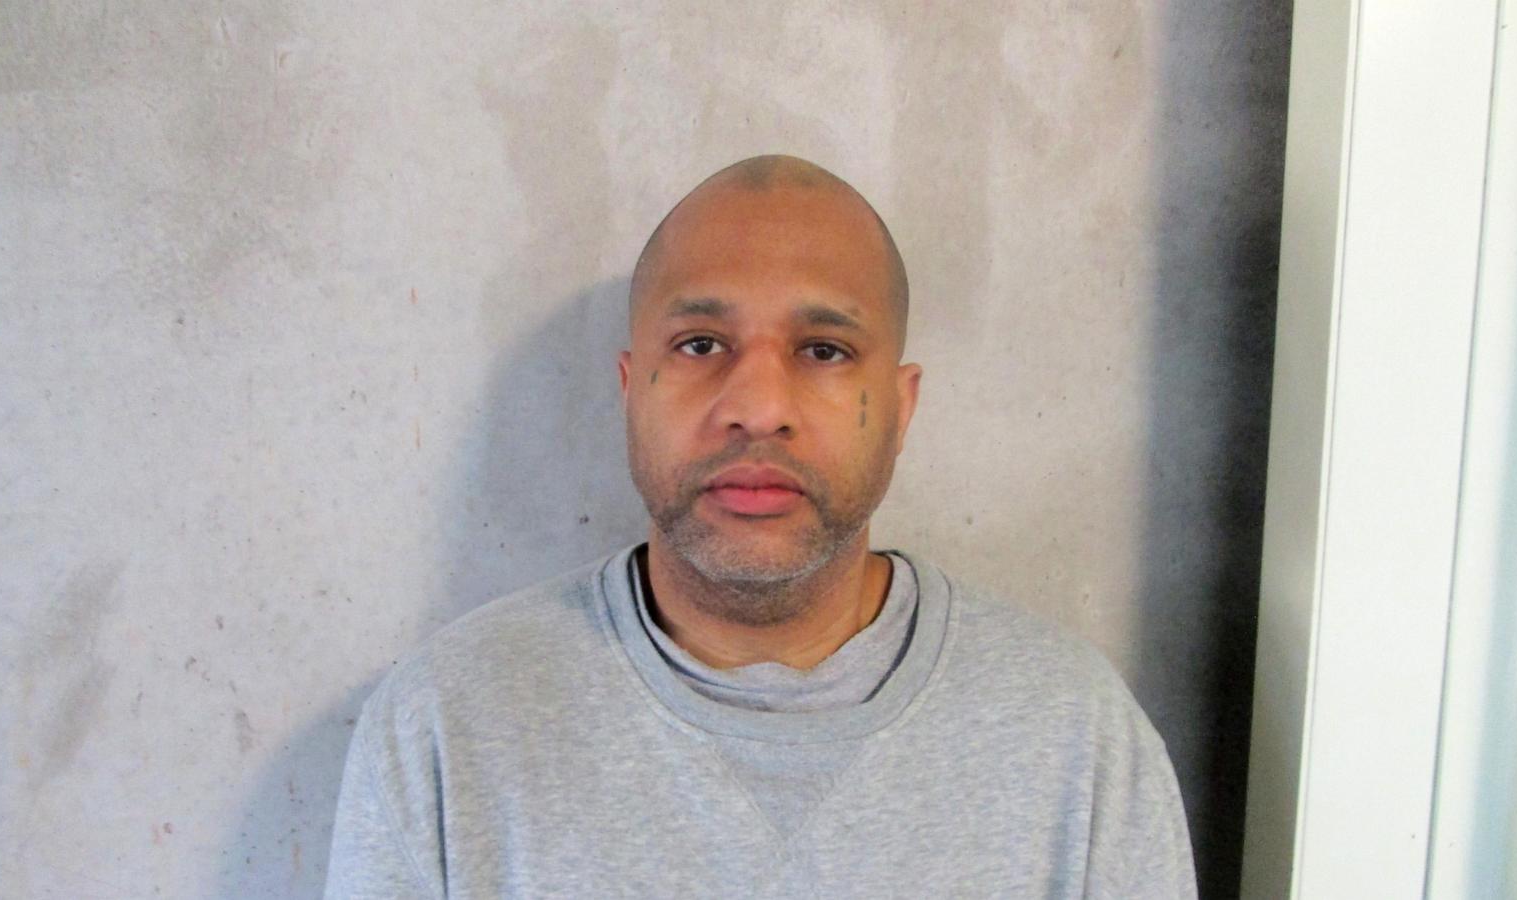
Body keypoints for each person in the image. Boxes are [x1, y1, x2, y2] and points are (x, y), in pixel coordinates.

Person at [324, 155, 1196, 898]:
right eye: (701, 344)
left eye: (823, 350)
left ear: (900, 408)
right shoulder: (448, 726)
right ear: (630, 391)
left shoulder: (1075, 742)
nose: (758, 407)